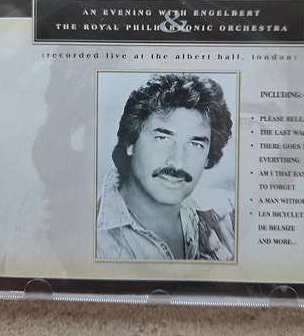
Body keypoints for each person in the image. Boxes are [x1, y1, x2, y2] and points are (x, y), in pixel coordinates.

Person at [96, 73, 234, 261]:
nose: (178, 162)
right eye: (163, 138)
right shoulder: (87, 235)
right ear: (130, 142)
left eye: (195, 144)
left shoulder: (224, 219)